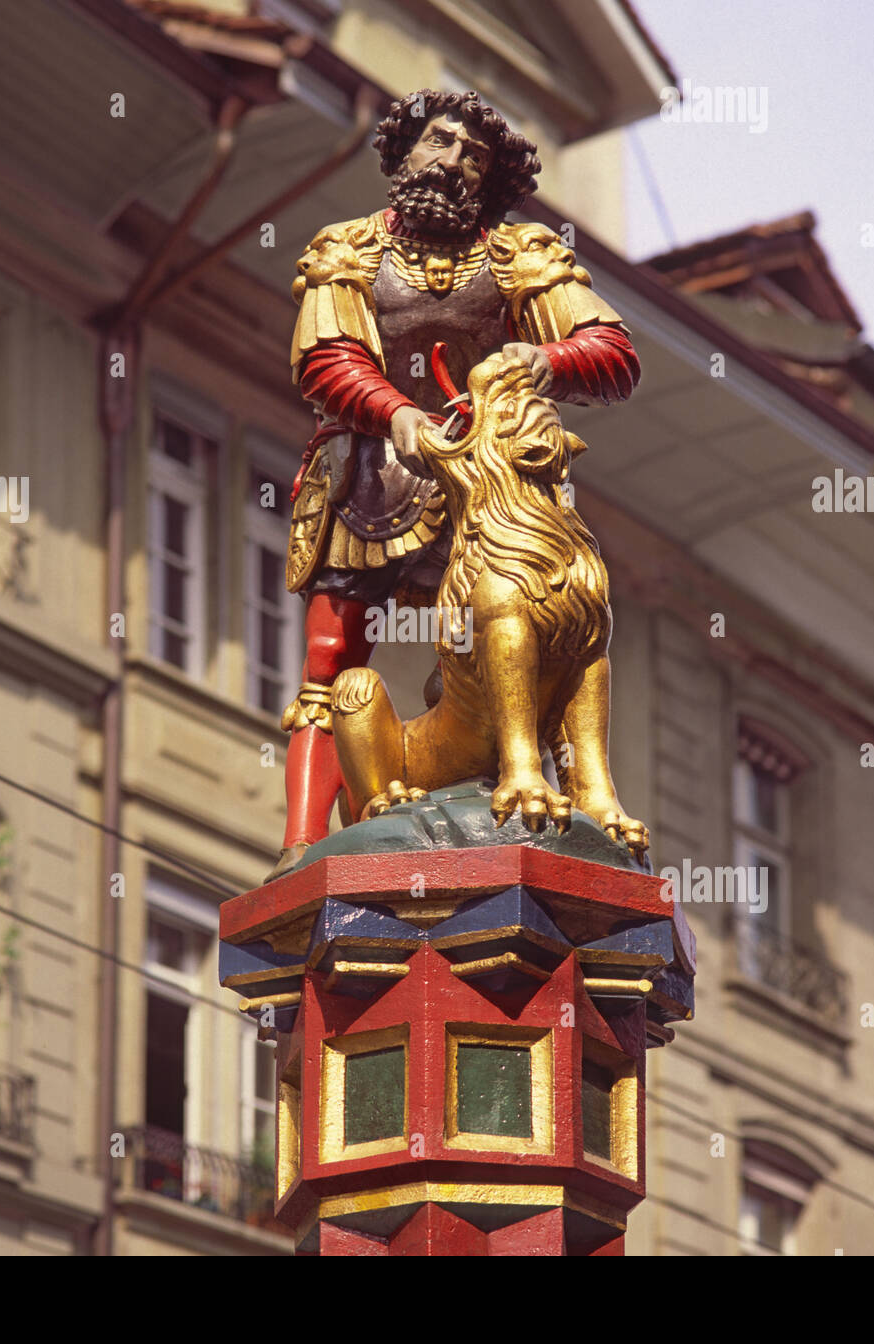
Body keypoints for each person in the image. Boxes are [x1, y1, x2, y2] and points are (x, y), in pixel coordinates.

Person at [273, 88, 641, 878]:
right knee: (333, 657)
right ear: (405, 150)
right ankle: (302, 844)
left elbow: (610, 348)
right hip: (368, 468)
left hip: (490, 470)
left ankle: (531, 793)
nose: (452, 160)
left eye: (473, 154)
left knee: (532, 628)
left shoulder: (518, 253)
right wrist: (396, 414)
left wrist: (547, 359)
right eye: (439, 141)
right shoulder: (348, 248)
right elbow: (325, 360)